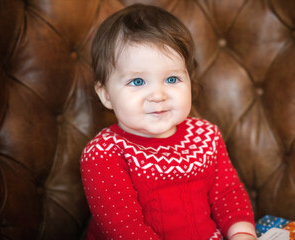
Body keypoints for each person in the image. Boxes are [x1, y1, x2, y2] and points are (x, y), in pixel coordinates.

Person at [81, 3, 256, 240]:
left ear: (190, 82)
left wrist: (242, 235)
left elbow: (228, 195)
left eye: (172, 78)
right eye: (138, 82)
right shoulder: (104, 153)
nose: (158, 95)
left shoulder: (206, 136)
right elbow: (124, 229)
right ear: (106, 95)